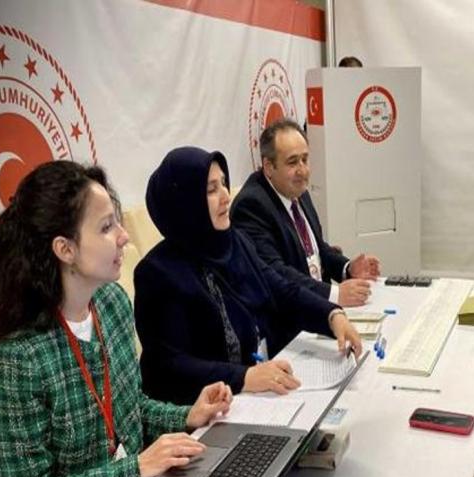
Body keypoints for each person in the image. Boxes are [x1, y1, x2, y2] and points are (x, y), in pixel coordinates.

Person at [0, 161, 230, 477]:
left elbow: (127, 408)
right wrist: (135, 468)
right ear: (65, 249)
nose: (124, 236)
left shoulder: (111, 303)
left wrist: (187, 416)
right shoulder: (16, 360)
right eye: (107, 227)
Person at [134, 146, 362, 405]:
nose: (225, 196)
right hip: (209, 411)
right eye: (211, 190)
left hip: (263, 391)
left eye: (224, 184)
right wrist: (244, 377)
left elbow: (279, 288)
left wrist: (331, 316)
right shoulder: (158, 274)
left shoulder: (234, 242)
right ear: (185, 202)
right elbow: (170, 366)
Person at [231, 119, 381, 307]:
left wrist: (348, 268)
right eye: (293, 162)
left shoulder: (297, 190)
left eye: (305, 159)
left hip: (319, 309)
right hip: (288, 316)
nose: (302, 171)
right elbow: (276, 273)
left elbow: (317, 249)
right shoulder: (251, 206)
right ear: (268, 167)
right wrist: (334, 294)